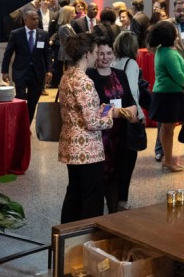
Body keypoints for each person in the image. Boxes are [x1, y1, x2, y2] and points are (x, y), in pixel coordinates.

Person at [58, 32, 136, 223]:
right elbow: (93, 122)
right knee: (92, 196)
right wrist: (113, 114)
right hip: (87, 149)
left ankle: (66, 235)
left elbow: (82, 112)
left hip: (71, 144)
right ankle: (87, 239)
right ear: (86, 54)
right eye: (94, 52)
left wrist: (103, 108)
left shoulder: (67, 76)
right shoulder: (84, 81)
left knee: (74, 193)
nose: (97, 55)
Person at [86, 36, 138, 213]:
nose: (105, 57)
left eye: (109, 53)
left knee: (117, 176)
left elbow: (130, 101)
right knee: (99, 180)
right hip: (98, 138)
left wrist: (131, 111)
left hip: (119, 136)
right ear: (94, 55)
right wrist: (115, 112)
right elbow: (92, 109)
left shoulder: (120, 74)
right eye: (101, 54)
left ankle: (114, 213)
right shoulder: (89, 76)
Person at [147, 20, 184, 172]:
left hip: (166, 94)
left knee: (166, 128)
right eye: (175, 32)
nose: (177, 34)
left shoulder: (162, 50)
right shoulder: (169, 53)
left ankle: (168, 159)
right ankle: (169, 160)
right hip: (168, 95)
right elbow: (177, 74)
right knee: (168, 129)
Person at [111, 31, 145, 210]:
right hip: (127, 117)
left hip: (115, 115)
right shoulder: (131, 64)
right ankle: (122, 200)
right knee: (128, 161)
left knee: (117, 161)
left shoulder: (114, 62)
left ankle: (114, 197)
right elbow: (132, 92)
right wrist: (139, 115)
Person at [1, 7, 52, 122]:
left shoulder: (43, 34)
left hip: (37, 73)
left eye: (37, 19)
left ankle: (26, 125)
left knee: (33, 102)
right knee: (21, 98)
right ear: (25, 20)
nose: (36, 21)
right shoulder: (16, 34)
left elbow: (47, 54)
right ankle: (18, 123)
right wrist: (4, 71)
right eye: (33, 19)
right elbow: (8, 53)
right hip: (21, 71)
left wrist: (49, 70)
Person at [51, 5, 77, 87]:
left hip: (68, 52)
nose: (75, 14)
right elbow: (70, 39)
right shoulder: (64, 27)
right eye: (73, 13)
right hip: (66, 54)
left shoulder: (68, 26)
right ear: (68, 14)